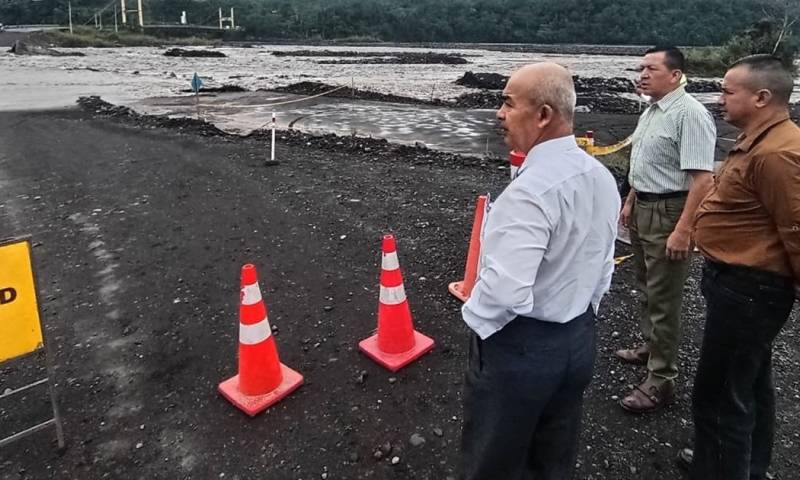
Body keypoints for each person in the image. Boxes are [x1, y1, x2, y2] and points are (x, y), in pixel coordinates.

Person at [460, 62, 620, 480]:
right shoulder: (600, 176)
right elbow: (603, 265)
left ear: (544, 115)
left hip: (523, 349)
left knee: (493, 460)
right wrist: (581, 316)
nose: (499, 113)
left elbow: (505, 293)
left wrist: (474, 317)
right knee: (554, 456)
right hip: (578, 340)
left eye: (509, 103)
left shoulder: (529, 191)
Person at [686, 54, 800, 480]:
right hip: (739, 284)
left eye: (728, 92)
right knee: (747, 384)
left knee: (717, 396)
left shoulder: (777, 153)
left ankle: (719, 467)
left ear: (762, 97)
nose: (720, 99)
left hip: (750, 289)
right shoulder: (759, 140)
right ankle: (745, 465)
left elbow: (796, 226)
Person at [615, 46, 716, 413]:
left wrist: (684, 229)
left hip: (672, 209)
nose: (642, 74)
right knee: (645, 286)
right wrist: (629, 201)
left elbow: (702, 180)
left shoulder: (689, 114)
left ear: (675, 75)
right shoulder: (652, 110)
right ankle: (650, 347)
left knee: (664, 296)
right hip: (644, 206)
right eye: (640, 67)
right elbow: (644, 164)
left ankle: (661, 380)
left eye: (651, 69)